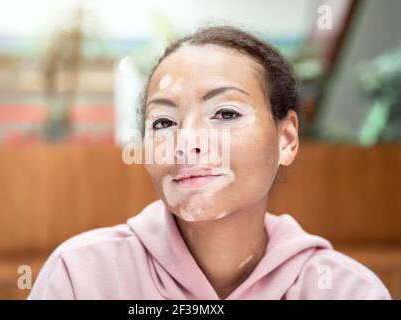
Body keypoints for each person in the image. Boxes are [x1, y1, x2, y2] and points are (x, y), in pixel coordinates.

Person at [28, 26, 391, 300]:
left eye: (226, 113)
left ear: (287, 139)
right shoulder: (81, 276)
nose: (186, 142)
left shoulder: (345, 291)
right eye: (164, 123)